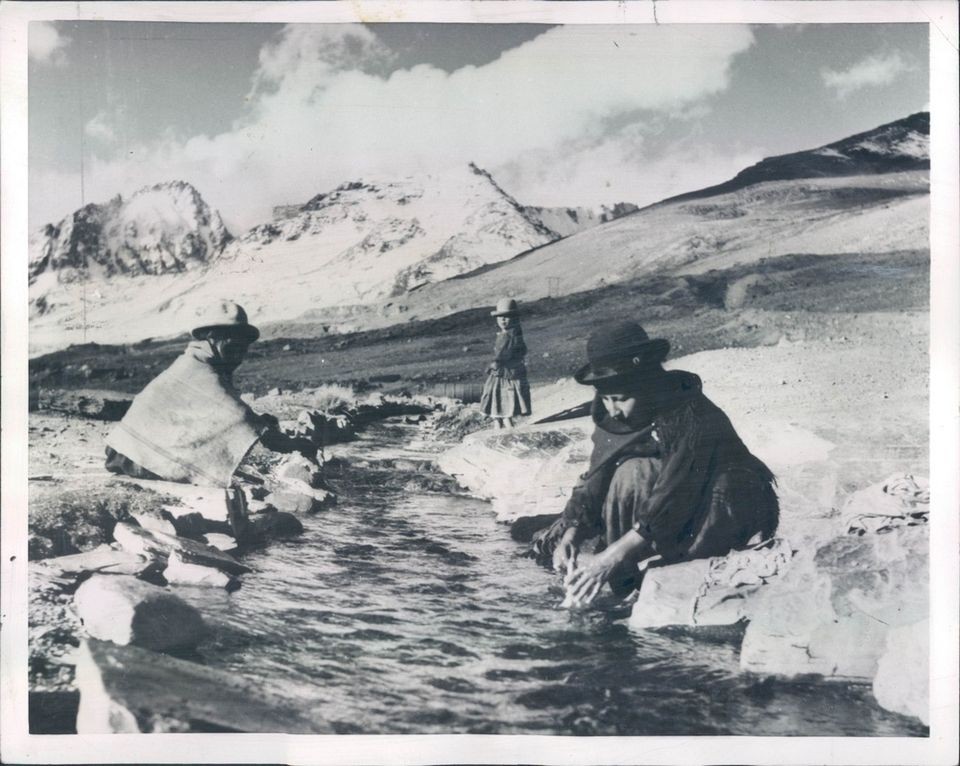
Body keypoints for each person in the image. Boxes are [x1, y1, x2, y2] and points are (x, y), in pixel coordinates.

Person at [532, 321, 779, 607]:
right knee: (630, 473)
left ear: (647, 383)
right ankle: (626, 583)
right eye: (606, 398)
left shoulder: (689, 413)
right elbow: (596, 476)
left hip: (724, 501)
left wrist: (610, 556)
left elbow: (675, 492)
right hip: (671, 504)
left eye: (621, 399)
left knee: (708, 493)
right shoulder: (613, 414)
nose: (613, 410)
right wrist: (572, 532)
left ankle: (671, 569)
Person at [105, 299, 315, 487]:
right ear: (211, 337)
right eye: (233, 342)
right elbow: (237, 415)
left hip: (128, 450)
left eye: (244, 344)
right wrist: (289, 444)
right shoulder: (197, 370)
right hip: (131, 457)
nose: (240, 353)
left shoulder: (198, 361)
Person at [479, 298, 532, 430]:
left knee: (504, 395)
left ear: (514, 319)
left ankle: (503, 422)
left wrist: (495, 363)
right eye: (500, 317)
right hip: (506, 371)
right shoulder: (509, 335)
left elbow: (502, 354)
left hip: (506, 372)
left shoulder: (509, 336)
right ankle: (501, 422)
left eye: (507, 317)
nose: (503, 320)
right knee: (499, 395)